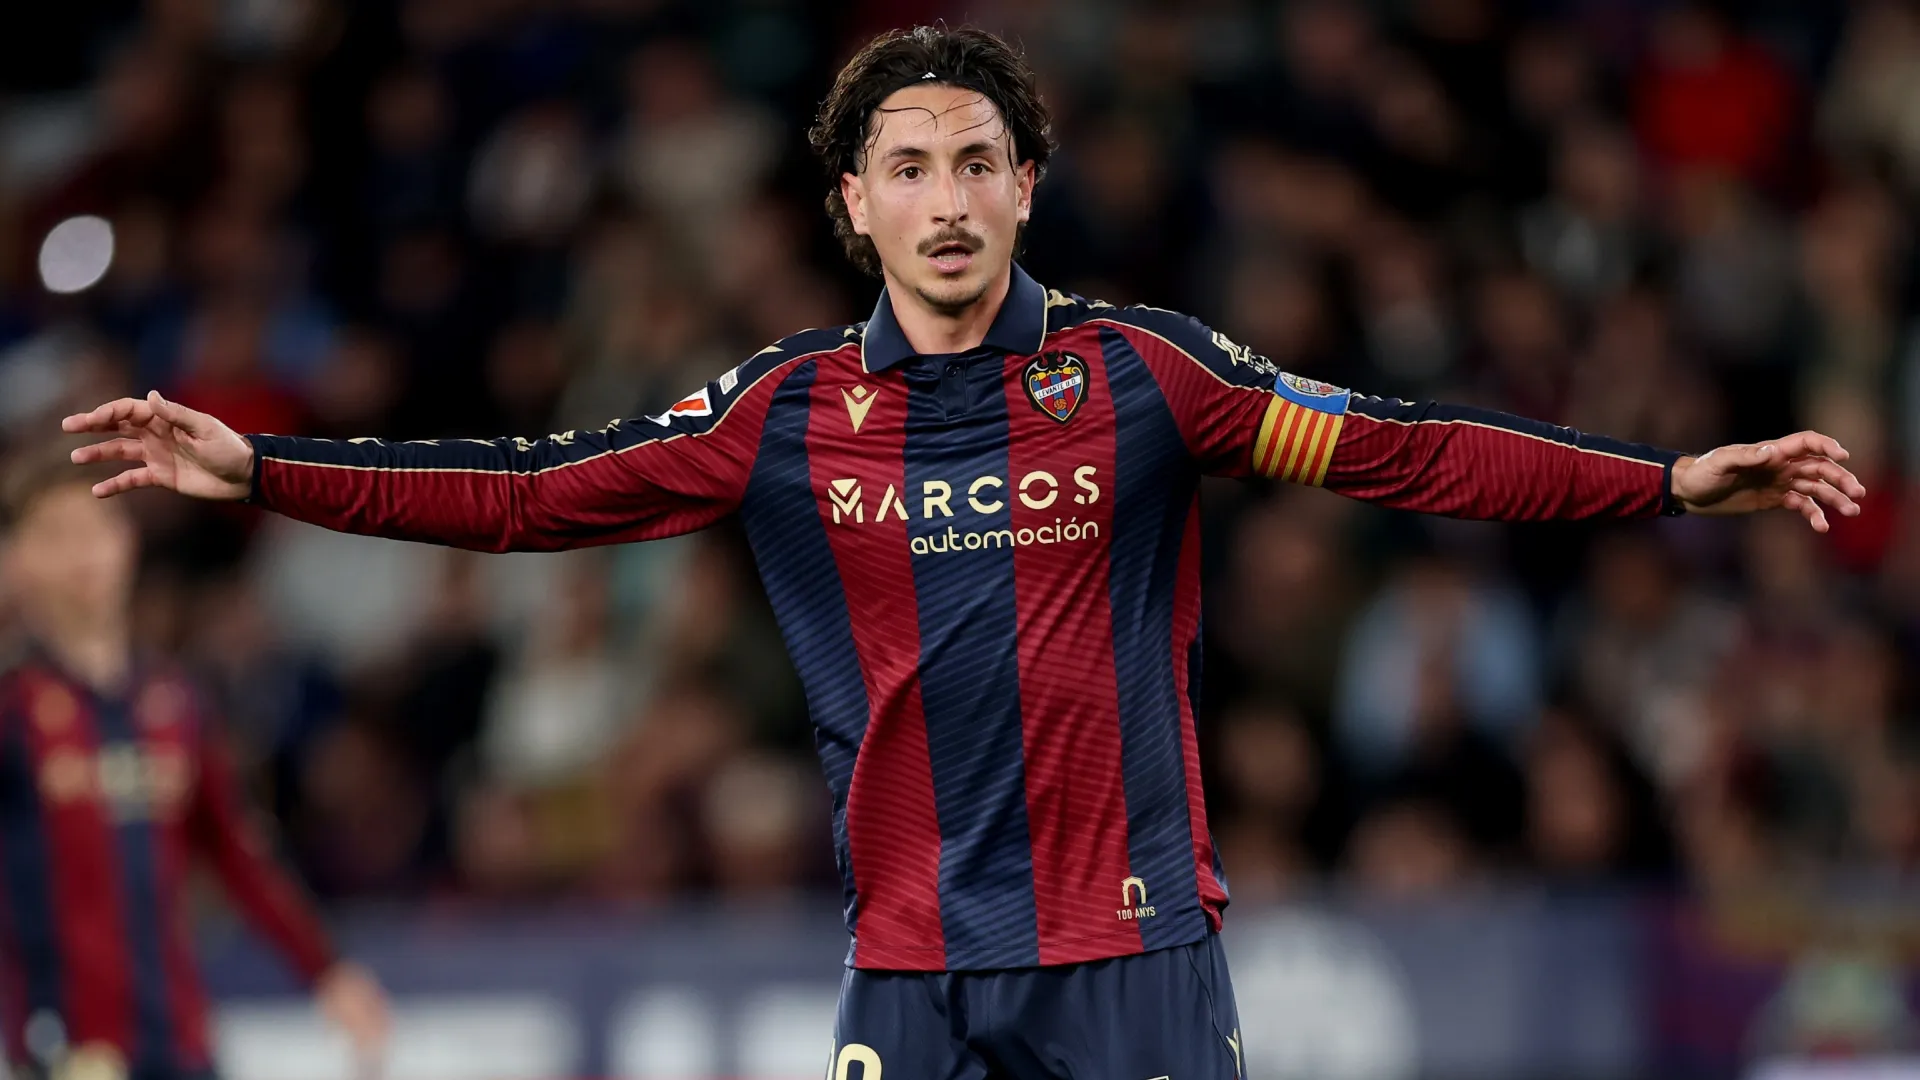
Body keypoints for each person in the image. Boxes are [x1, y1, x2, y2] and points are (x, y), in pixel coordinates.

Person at [63, 24, 1863, 1079]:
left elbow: (1405, 454)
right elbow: (534, 491)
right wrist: (269, 467)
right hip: (909, 968)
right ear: (853, 205)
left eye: (977, 161)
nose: (944, 197)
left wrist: (1663, 478)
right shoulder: (775, 417)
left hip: (1136, 956)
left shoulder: (1150, 379)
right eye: (906, 165)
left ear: (1026, 187)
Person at [0, 453, 389, 1080]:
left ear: (128, 542)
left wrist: (328, 970)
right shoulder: (15, 707)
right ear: (18, 561)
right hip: (65, 1050)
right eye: (56, 534)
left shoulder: (173, 702)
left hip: (182, 1044)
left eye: (96, 528)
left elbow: (241, 852)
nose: (84, 555)